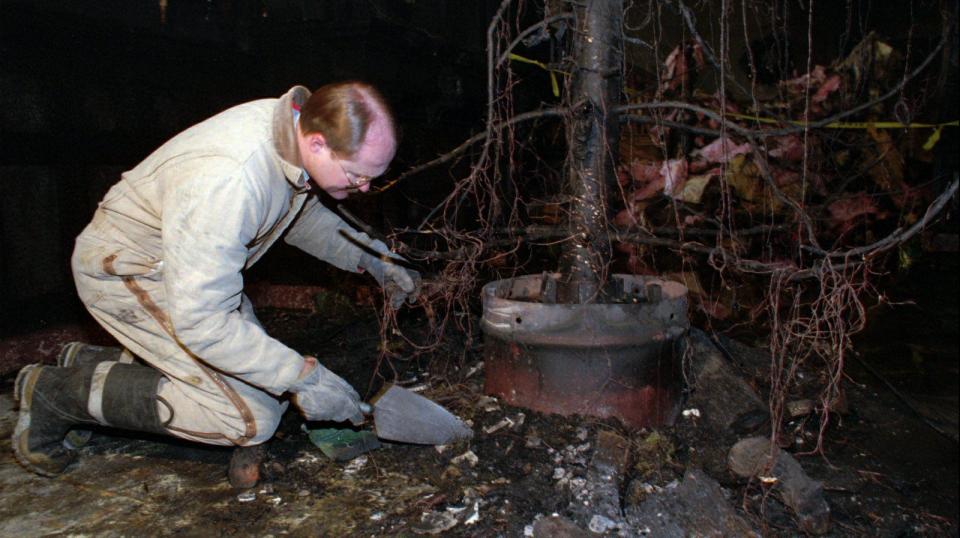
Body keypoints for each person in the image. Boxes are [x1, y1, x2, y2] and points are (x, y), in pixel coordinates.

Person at [12, 82, 419, 486]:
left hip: (190, 269)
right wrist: (305, 377)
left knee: (264, 387)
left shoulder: (289, 130)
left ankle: (91, 363)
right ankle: (56, 393)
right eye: (358, 175)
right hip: (131, 272)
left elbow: (297, 214)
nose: (364, 188)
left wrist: (370, 257)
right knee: (250, 419)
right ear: (317, 144)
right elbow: (203, 322)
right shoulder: (231, 179)